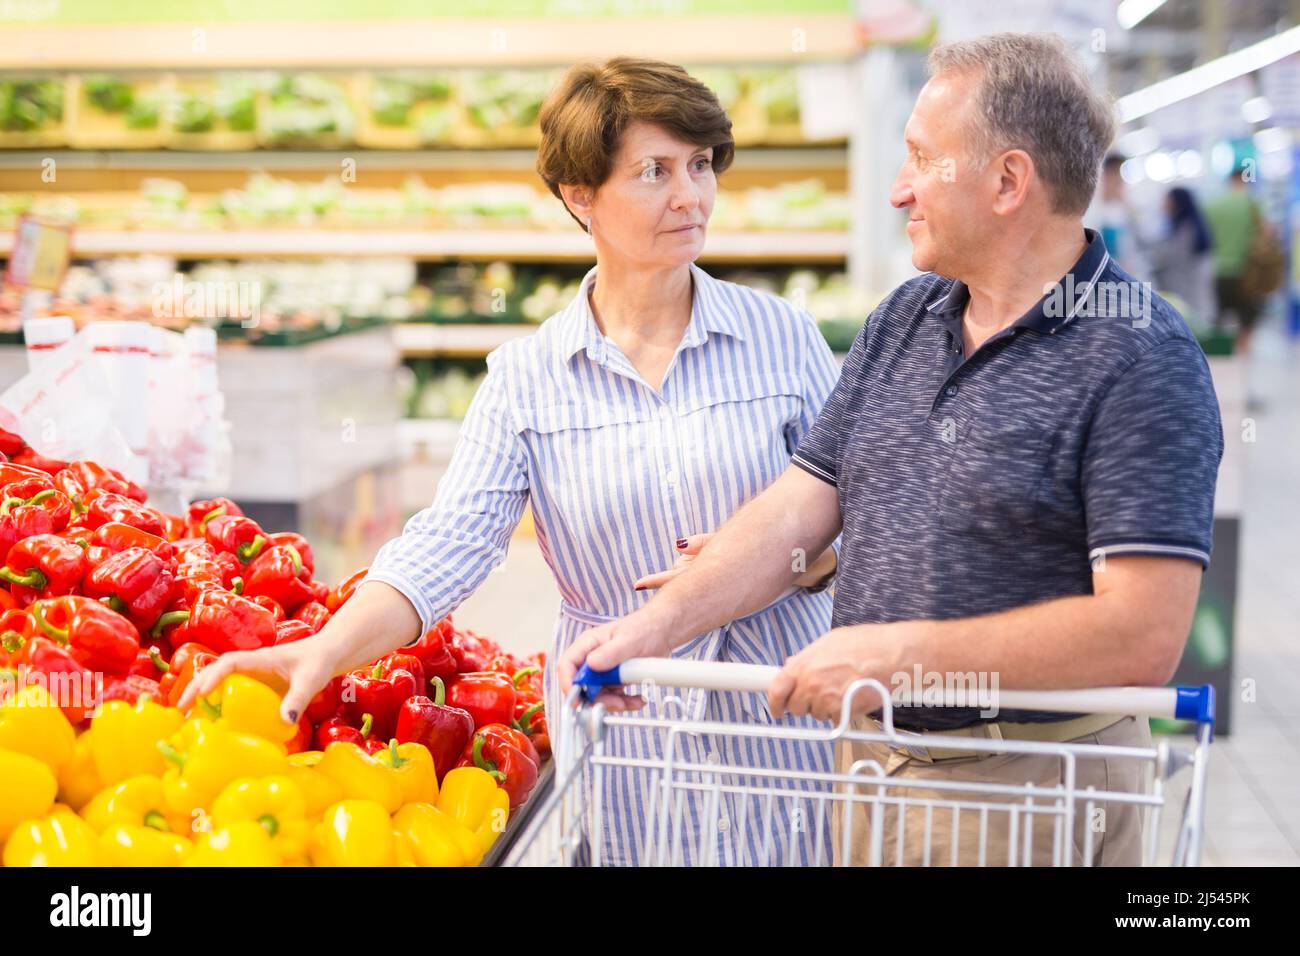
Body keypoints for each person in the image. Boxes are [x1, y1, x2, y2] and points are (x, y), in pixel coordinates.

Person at [561, 33, 1224, 867]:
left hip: (1031, 793)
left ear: (1008, 181)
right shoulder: (908, 318)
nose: (898, 190)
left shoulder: (1140, 355)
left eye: (920, 158)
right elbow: (799, 509)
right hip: (874, 773)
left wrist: (899, 660)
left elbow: (1141, 634)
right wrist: (656, 627)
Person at [181, 57, 841, 866]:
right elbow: (446, 544)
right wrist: (321, 649)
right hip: (624, 726)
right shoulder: (527, 380)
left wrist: (789, 561)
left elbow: (861, 514)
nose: (690, 196)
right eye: (654, 171)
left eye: (702, 165)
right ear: (580, 196)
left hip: (777, 715)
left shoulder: (786, 338)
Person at [1205, 164, 1269, 353]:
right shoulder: (1253, 204)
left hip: (1219, 271)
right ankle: (1243, 364)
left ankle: (1224, 366)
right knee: (1246, 326)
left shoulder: (1213, 205)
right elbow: (1266, 234)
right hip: (1248, 273)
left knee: (1220, 324)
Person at [1148, 186, 1215, 332]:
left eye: (1167, 200)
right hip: (1192, 298)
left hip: (1188, 299)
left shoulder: (1186, 230)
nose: (1163, 205)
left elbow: (1168, 258)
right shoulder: (1190, 226)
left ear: (1177, 203)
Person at [1085, 152, 1150, 281]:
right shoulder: (1093, 209)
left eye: (1119, 176)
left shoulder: (1129, 209)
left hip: (1129, 274)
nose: (1117, 181)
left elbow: (1141, 240)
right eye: (1113, 175)